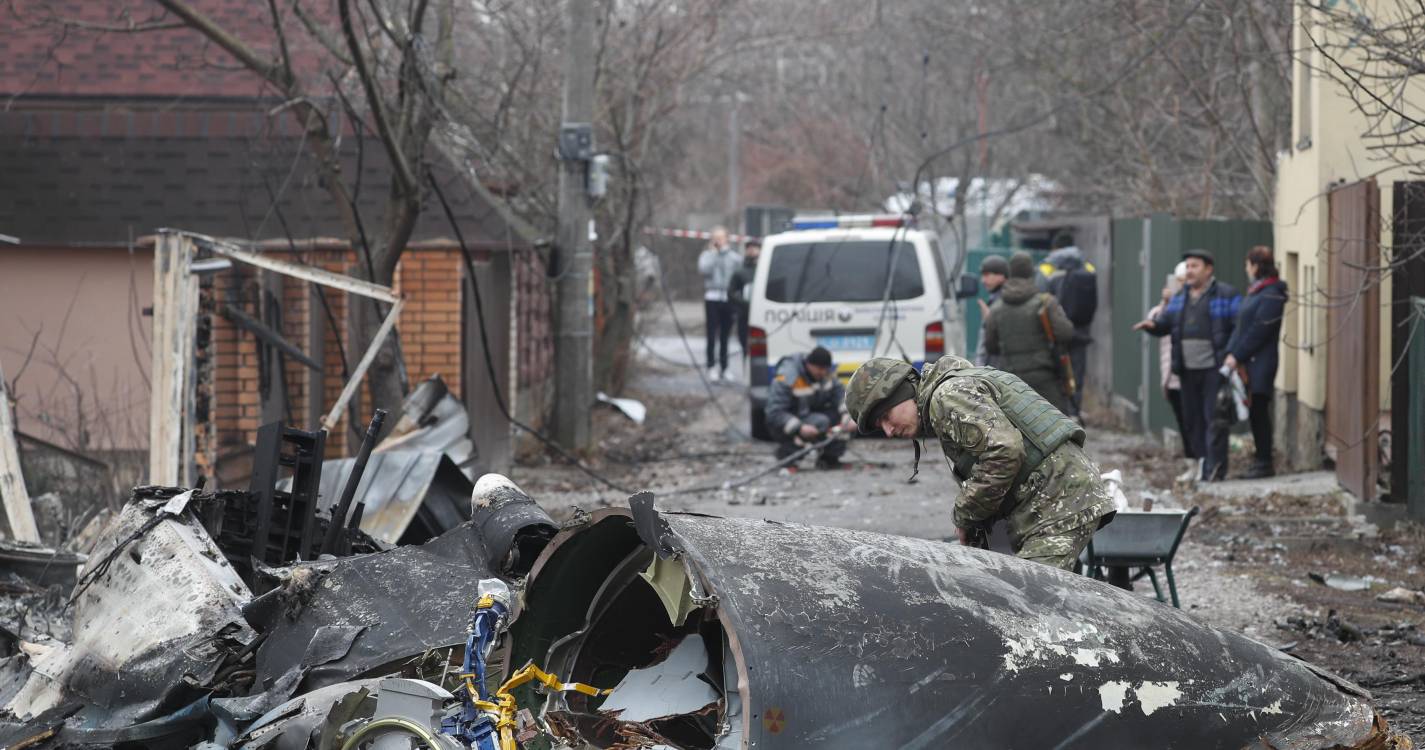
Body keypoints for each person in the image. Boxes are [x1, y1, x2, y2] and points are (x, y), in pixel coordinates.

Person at [843, 356, 1116, 570]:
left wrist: (964, 515)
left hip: (1060, 501)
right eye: (880, 426)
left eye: (886, 417)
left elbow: (1004, 452)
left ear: (901, 393)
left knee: (1033, 606)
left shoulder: (946, 396)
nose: (888, 431)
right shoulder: (955, 388)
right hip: (1054, 498)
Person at [1134, 250, 1240, 482]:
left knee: (1215, 420)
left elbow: (1238, 327)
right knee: (1193, 421)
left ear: (1208, 269)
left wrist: (1232, 355)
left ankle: (1215, 470)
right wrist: (1152, 325)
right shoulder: (1181, 297)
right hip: (1186, 370)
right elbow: (1166, 323)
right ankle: (1201, 465)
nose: (1190, 271)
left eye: (1195, 266)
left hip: (1214, 369)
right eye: (1188, 266)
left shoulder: (1225, 294)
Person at [983, 252, 1075, 413]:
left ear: (1010, 273)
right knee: (1053, 422)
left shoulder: (996, 308)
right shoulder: (1045, 302)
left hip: (1010, 380)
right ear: (1032, 273)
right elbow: (1066, 333)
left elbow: (990, 346)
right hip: (1044, 378)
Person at [1224, 246, 1287, 479]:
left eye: (1248, 264)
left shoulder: (1272, 294)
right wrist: (1231, 352)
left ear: (1256, 266)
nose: (1246, 268)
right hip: (1248, 361)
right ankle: (1260, 460)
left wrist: (1238, 355)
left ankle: (1264, 462)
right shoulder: (1257, 291)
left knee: (1259, 411)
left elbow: (1259, 330)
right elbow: (1242, 326)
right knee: (1254, 412)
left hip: (1261, 362)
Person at [764, 346, 853, 469]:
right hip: (789, 420)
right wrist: (799, 427)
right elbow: (774, 412)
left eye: (825, 369)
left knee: (846, 421)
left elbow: (840, 394)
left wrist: (847, 415)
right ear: (808, 364)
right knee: (819, 423)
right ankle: (787, 456)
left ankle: (829, 459)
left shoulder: (826, 374)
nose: (823, 373)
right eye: (820, 369)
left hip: (813, 417)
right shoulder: (788, 376)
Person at [1042, 234, 1098, 418]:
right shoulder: (1088, 267)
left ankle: (1058, 413)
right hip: (1081, 330)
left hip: (1056, 331)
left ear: (1055, 248)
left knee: (1056, 373)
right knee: (1077, 373)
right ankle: (1074, 412)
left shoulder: (1048, 267)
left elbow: (1042, 297)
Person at [1152, 263, 1197, 481]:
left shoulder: (1192, 304)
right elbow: (1155, 321)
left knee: (1195, 421)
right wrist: (1165, 302)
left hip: (1189, 372)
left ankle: (1200, 463)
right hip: (1171, 375)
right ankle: (1191, 463)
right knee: (1183, 421)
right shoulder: (1171, 307)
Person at [697, 227, 741, 382]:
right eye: (715, 238)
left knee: (725, 335)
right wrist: (714, 255)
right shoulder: (707, 256)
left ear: (727, 239)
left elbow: (738, 276)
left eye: (721, 238)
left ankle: (725, 366)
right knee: (711, 334)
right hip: (712, 297)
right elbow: (704, 270)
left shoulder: (734, 257)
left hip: (728, 298)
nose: (718, 241)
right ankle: (711, 366)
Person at [727, 238, 761, 364]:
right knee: (745, 347)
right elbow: (731, 293)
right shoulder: (740, 272)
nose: (752, 251)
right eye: (749, 248)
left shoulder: (765, 270)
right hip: (744, 315)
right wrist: (745, 304)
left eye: (755, 248)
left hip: (762, 313)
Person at [975, 255, 1009, 366]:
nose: (983, 280)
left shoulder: (1005, 300)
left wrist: (989, 321)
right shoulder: (995, 298)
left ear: (1001, 276)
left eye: (987, 275)